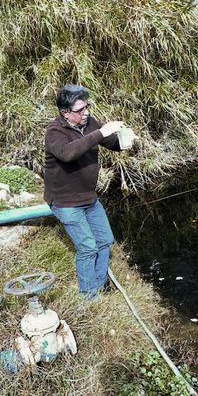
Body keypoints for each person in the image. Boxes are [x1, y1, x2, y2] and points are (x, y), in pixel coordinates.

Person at [44, 84, 127, 299]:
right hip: (65, 202)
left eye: (86, 107)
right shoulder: (55, 132)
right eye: (80, 110)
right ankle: (88, 298)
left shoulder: (90, 123)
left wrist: (125, 141)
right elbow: (68, 153)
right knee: (88, 248)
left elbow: (110, 142)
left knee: (105, 242)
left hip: (88, 198)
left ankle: (99, 286)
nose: (86, 112)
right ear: (65, 113)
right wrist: (100, 132)